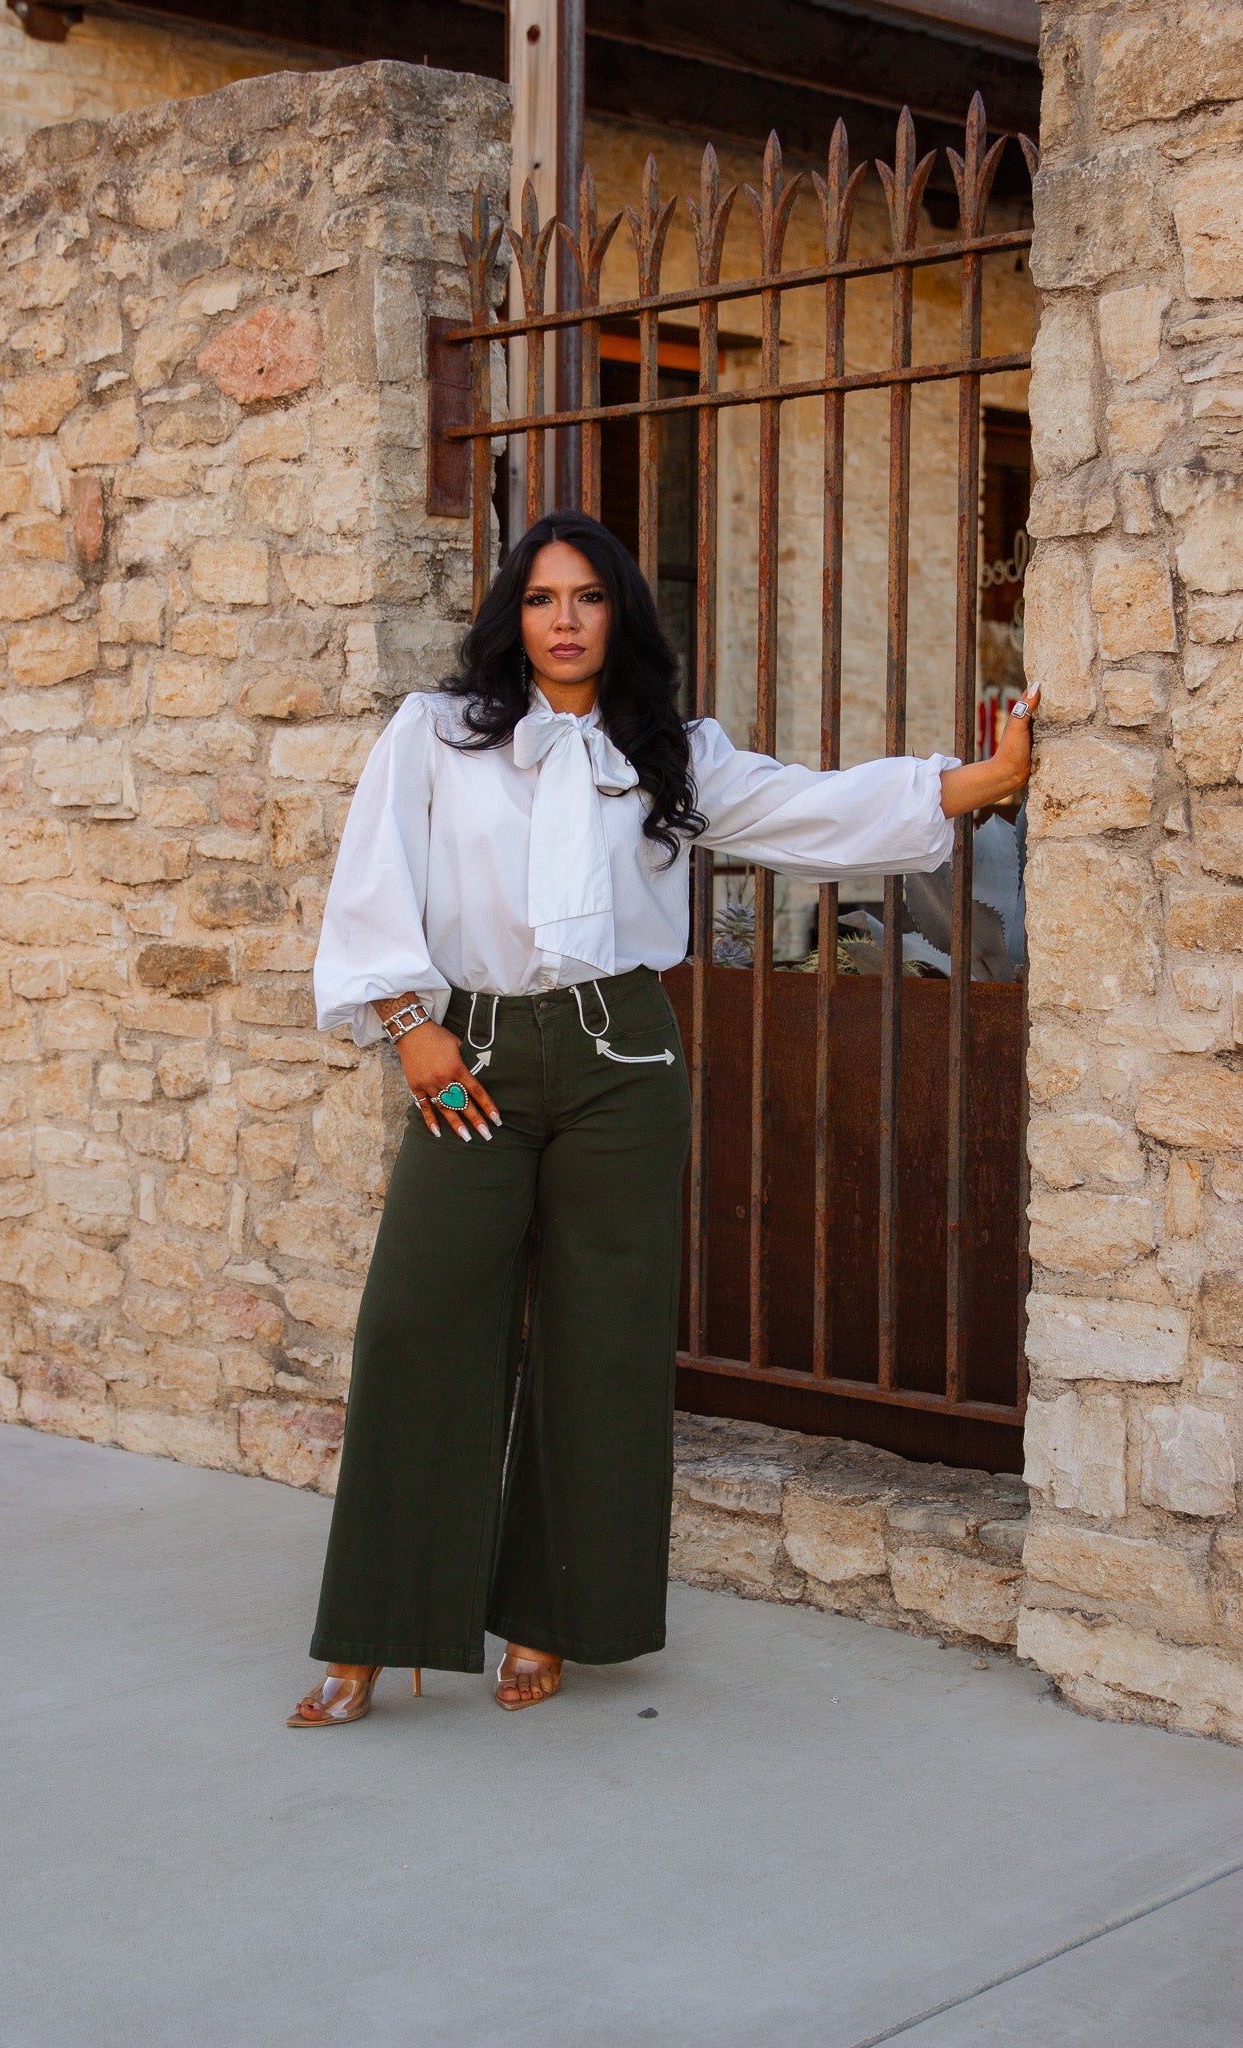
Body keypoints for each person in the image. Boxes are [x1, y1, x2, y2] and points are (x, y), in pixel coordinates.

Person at [288, 510, 1039, 1726]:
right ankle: (376, 1627)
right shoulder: (438, 733)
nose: (566, 620)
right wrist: (410, 1025)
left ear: (619, 615)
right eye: (543, 598)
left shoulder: (668, 750)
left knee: (604, 1338)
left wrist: (983, 781)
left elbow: (809, 810)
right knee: (417, 1322)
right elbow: (372, 878)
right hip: (472, 1053)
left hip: (622, 1056)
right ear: (514, 615)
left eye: (589, 597)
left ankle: (557, 1612)